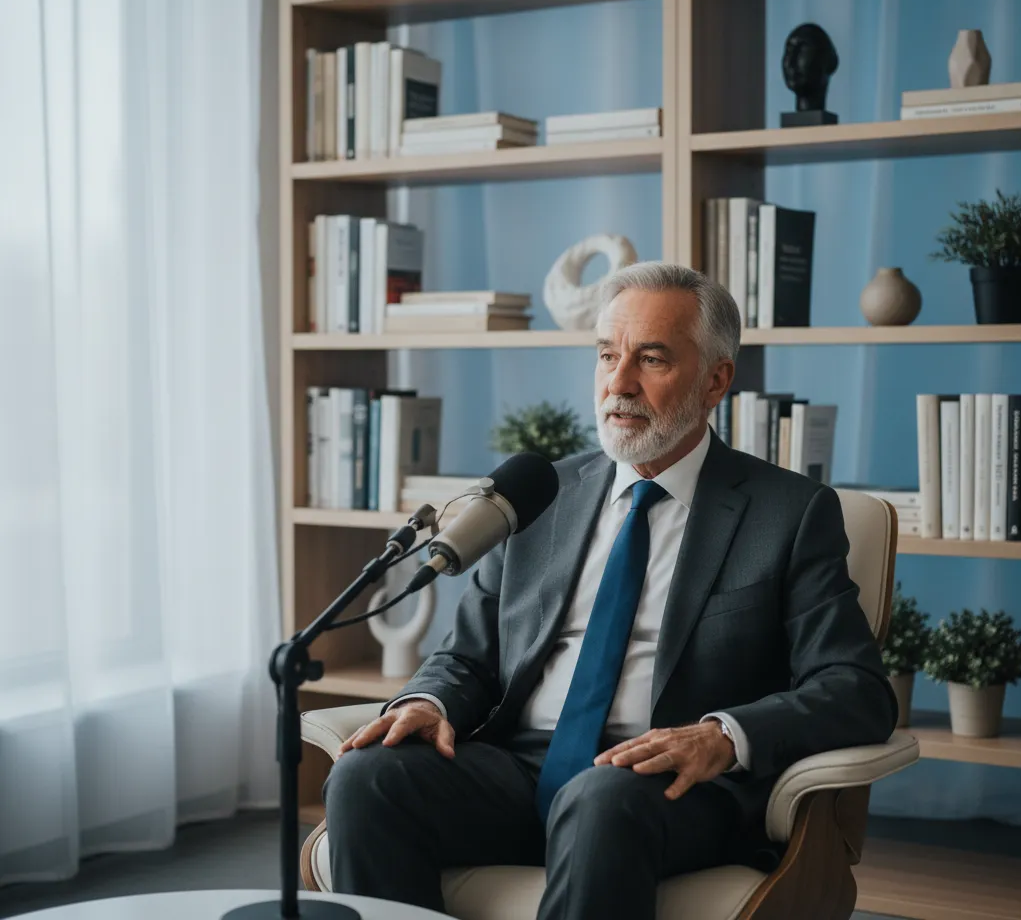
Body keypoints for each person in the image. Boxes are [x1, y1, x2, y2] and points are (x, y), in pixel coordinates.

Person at [323, 263, 897, 920]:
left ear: (716, 380)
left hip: (667, 785)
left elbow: (856, 689)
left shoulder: (788, 513)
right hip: (520, 766)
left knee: (601, 797)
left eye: (651, 359)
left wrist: (719, 735)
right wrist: (430, 700)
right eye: (606, 355)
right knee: (368, 777)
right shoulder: (539, 497)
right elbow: (469, 658)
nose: (618, 384)